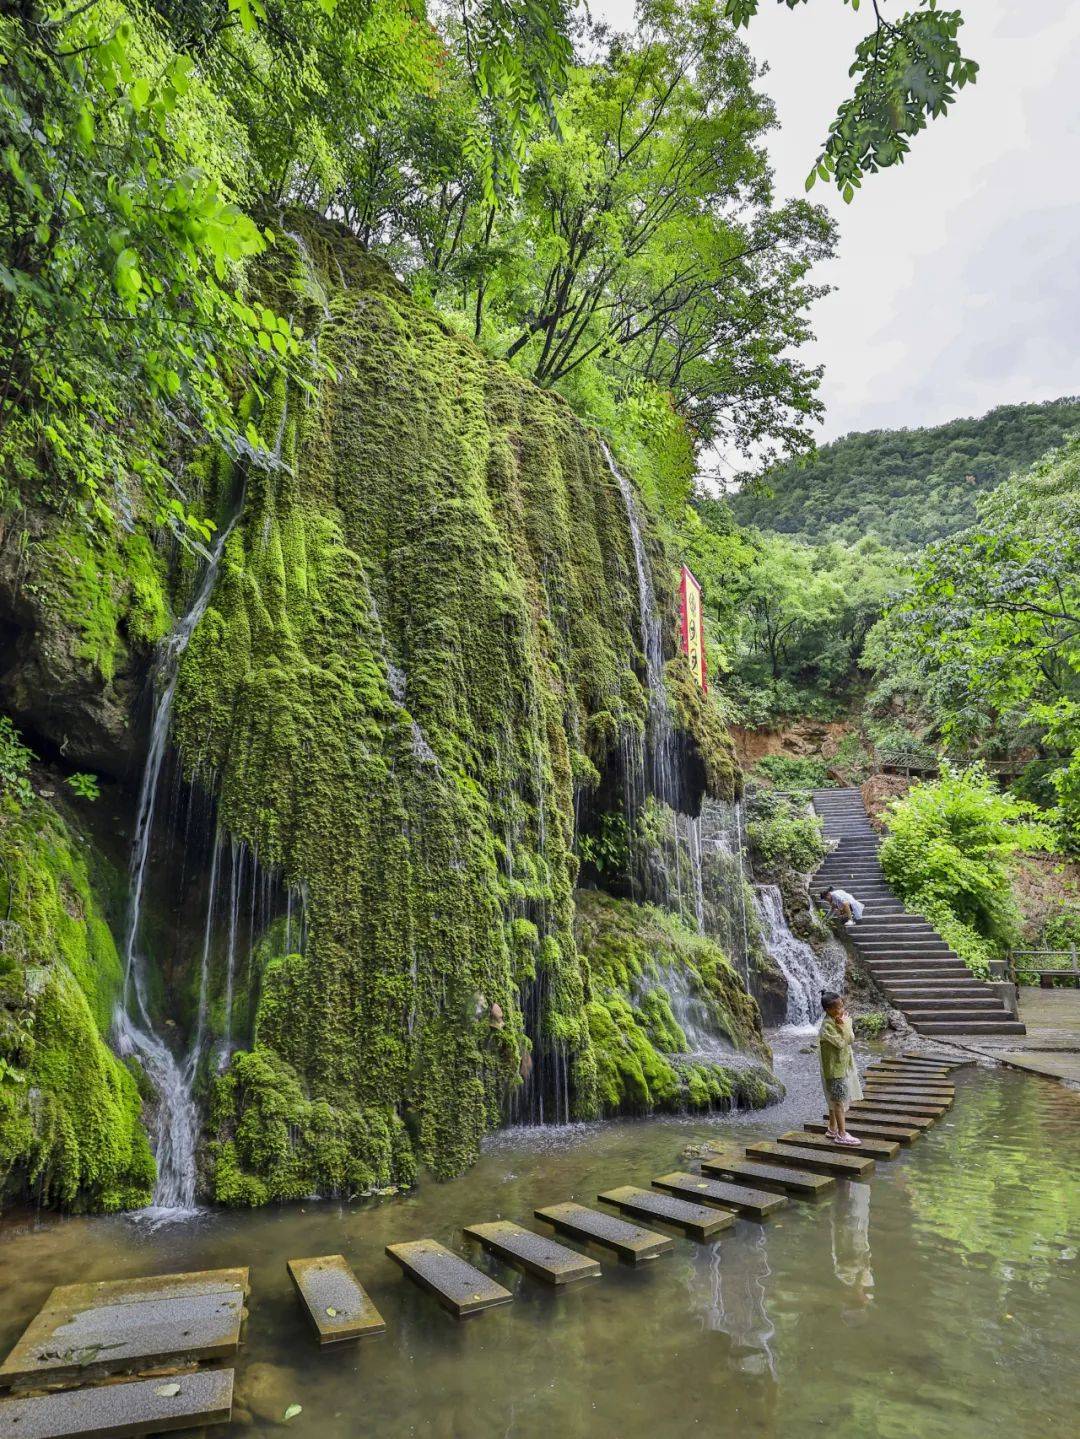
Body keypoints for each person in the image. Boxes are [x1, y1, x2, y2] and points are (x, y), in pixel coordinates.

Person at [819, 991, 863, 1146]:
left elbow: (851, 1038)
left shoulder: (836, 1020)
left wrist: (844, 1026)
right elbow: (841, 1043)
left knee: (835, 1099)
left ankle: (832, 1128)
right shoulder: (827, 1027)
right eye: (837, 1008)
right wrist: (845, 1025)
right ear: (828, 1010)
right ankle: (841, 1134)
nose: (841, 1010)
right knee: (838, 1101)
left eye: (842, 1006)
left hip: (841, 1066)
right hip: (834, 1070)